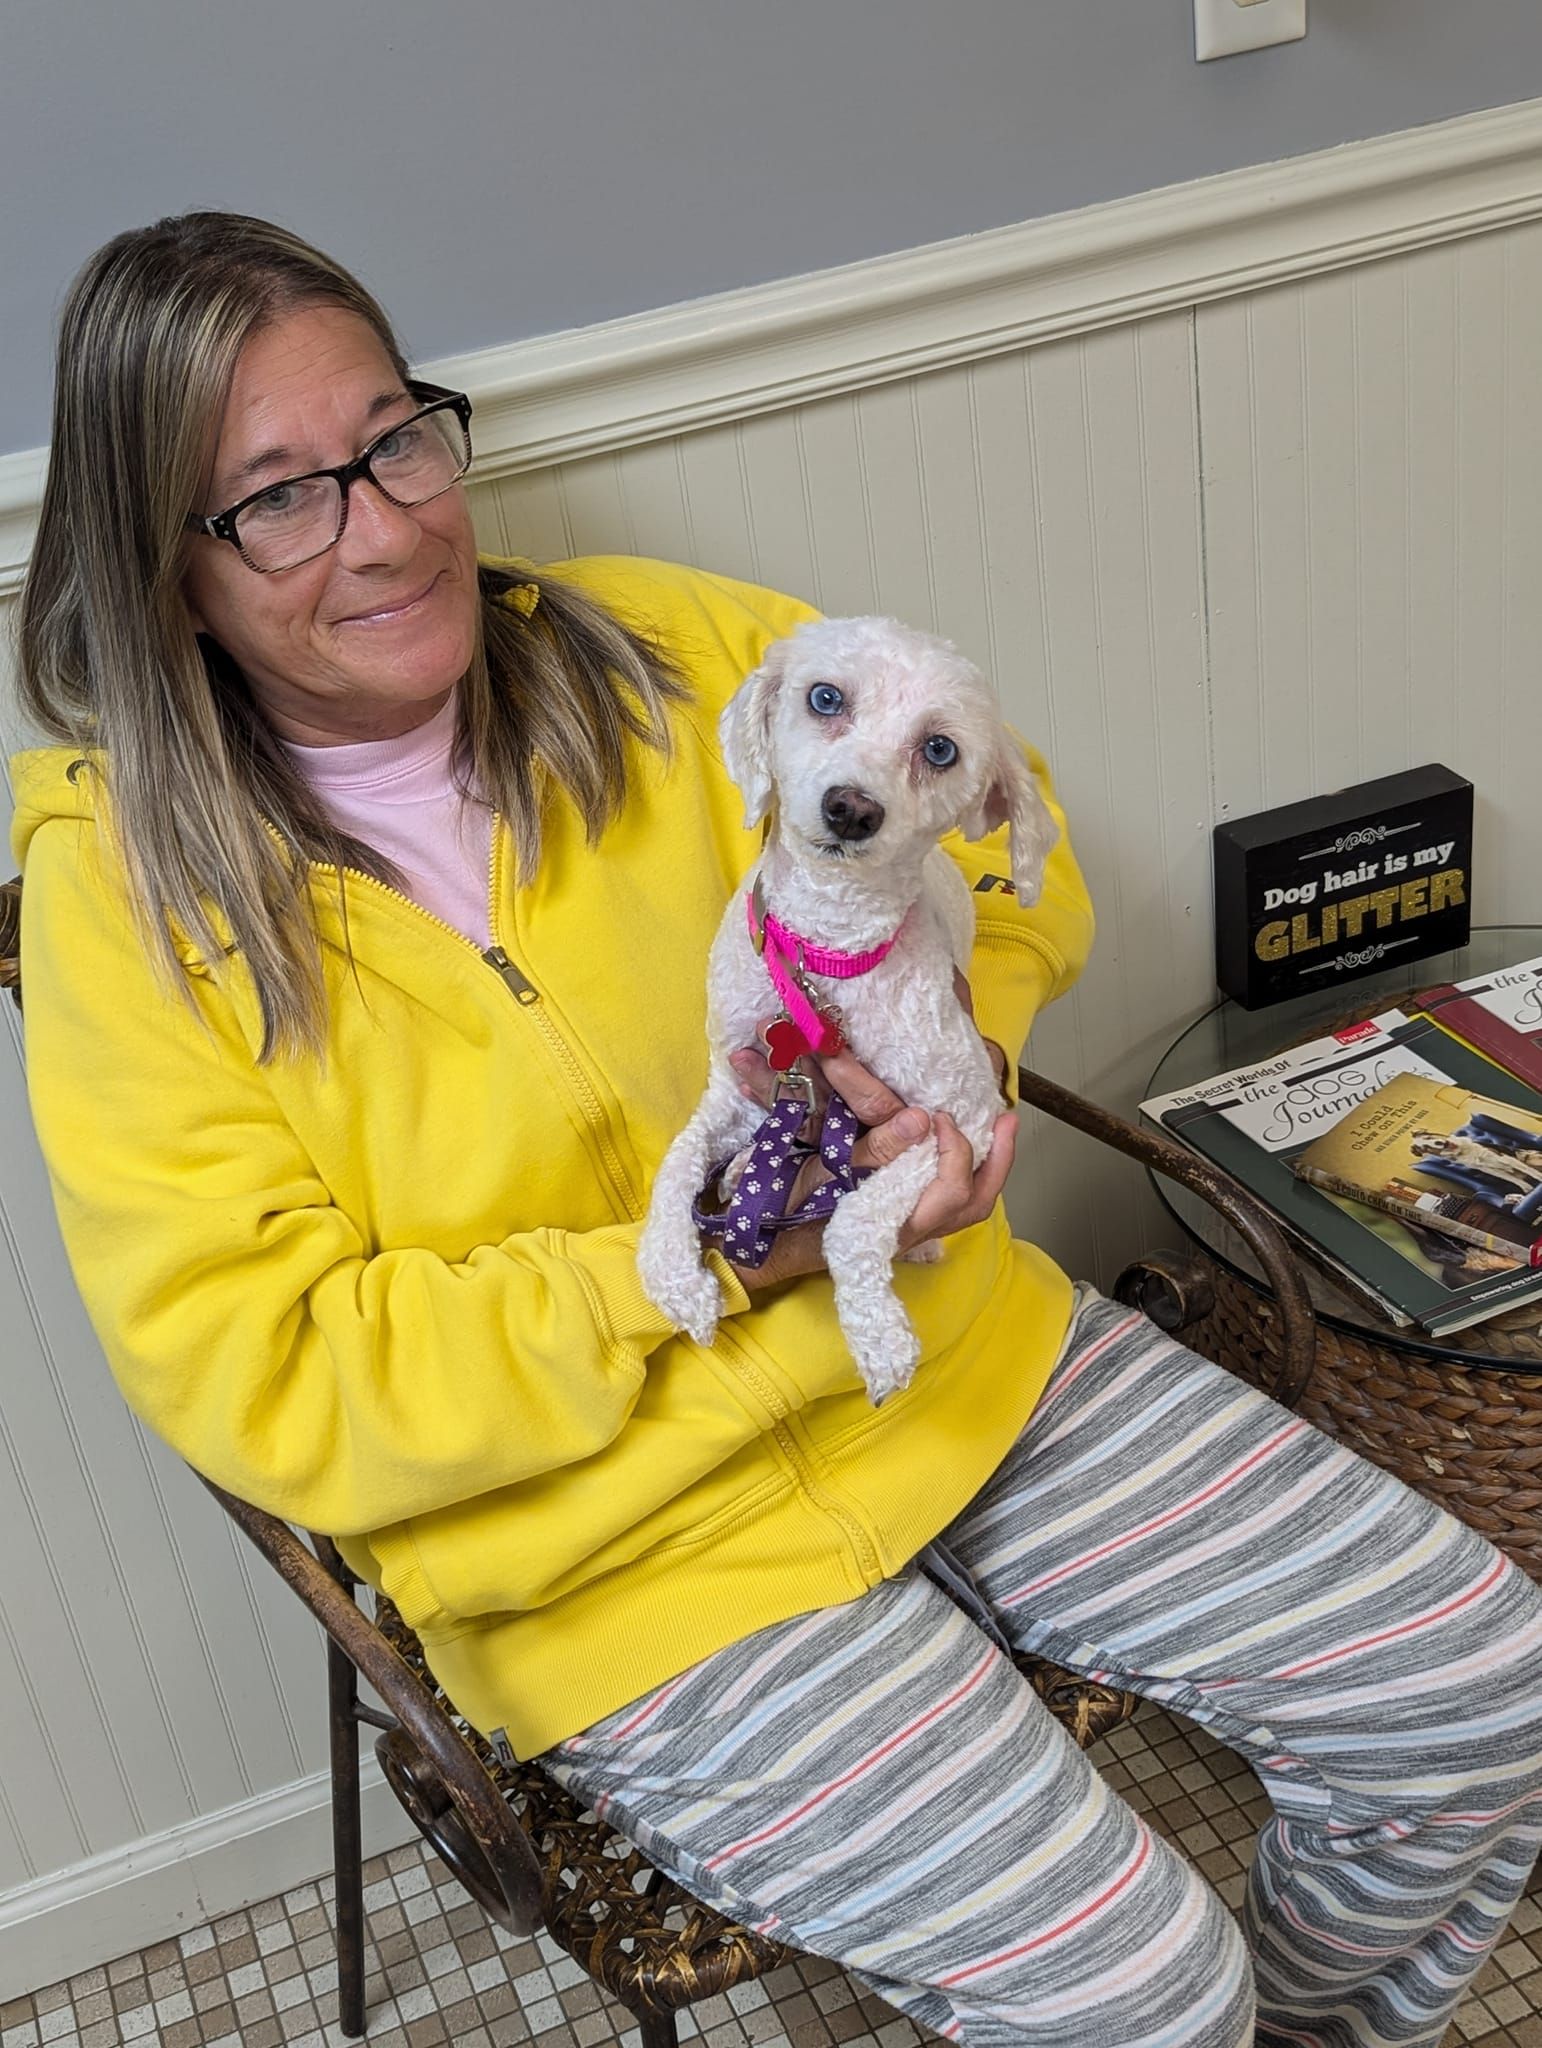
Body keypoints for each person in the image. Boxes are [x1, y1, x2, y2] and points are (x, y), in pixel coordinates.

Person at [12, 211, 1542, 2048]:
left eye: (394, 436)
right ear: (160, 564)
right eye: (278, 495)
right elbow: (266, 1373)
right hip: (615, 1558)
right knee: (1139, 1993)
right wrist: (713, 1256)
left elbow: (989, 814)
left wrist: (939, 1037)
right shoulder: (127, 902)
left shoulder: (672, 652)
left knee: (1480, 1688)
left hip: (954, 1359)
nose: (390, 523)